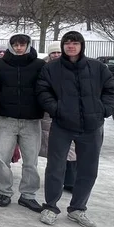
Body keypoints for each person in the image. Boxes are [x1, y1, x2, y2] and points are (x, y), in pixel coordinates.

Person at [36, 32, 114, 227]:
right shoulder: (51, 69)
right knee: (56, 167)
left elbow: (111, 90)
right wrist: (56, 109)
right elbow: (42, 90)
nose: (71, 46)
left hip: (91, 126)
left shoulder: (97, 68)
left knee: (88, 169)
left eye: (75, 43)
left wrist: (103, 110)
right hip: (62, 125)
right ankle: (50, 206)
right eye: (67, 43)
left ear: (82, 45)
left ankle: (77, 208)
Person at [0, 33, 46, 211]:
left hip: (31, 120)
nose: (19, 48)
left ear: (28, 45)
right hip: (6, 119)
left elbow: (44, 87)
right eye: (16, 44)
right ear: (10, 45)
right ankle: (4, 192)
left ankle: (28, 195)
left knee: (31, 160)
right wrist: (1, 100)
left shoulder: (39, 65)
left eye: (22, 44)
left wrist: (39, 104)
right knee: (2, 158)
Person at [40, 42, 77, 191]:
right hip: (48, 114)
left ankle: (70, 180)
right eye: (52, 53)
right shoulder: (44, 69)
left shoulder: (72, 68)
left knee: (71, 148)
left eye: (58, 52)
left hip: (69, 113)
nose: (55, 55)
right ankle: (55, 180)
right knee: (53, 150)